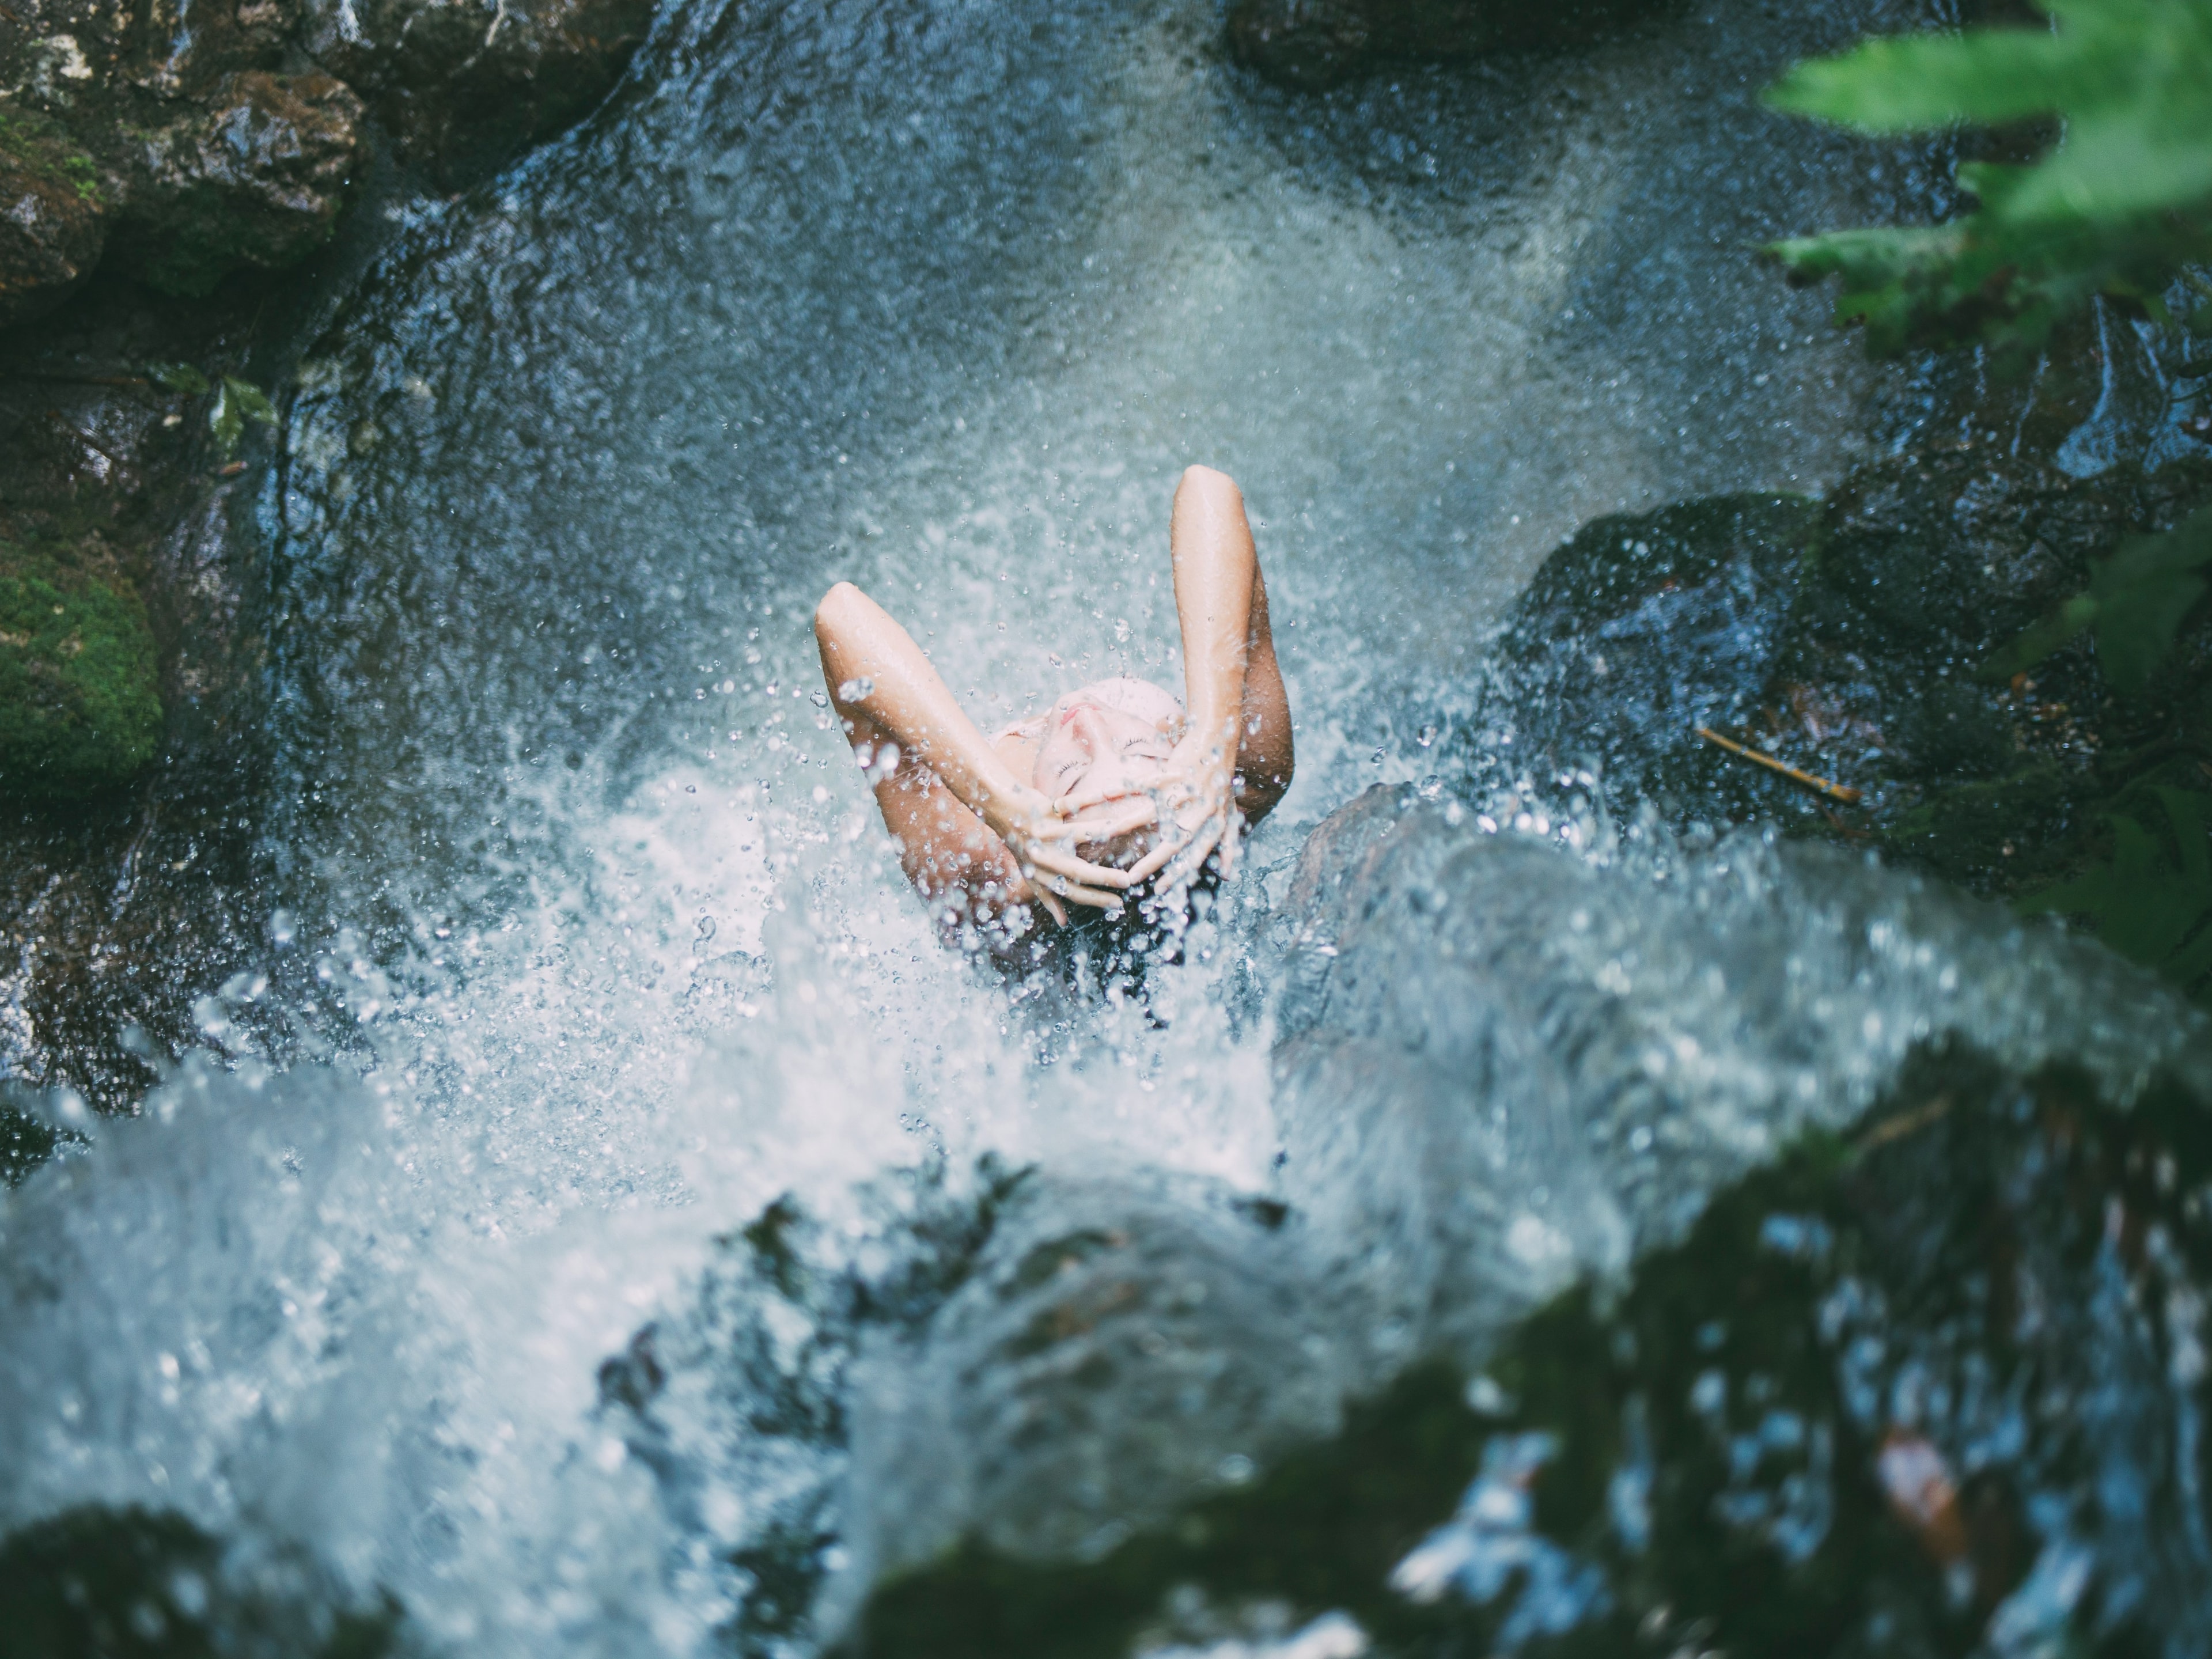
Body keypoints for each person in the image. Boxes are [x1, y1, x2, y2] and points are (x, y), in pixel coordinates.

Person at [814, 464, 1293, 940]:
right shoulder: (1241, 783)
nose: (1090, 723)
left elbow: (840, 617)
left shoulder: (983, 875)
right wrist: (1212, 736)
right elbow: (1209, 489)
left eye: (1072, 773)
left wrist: (1000, 805)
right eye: (1139, 750)